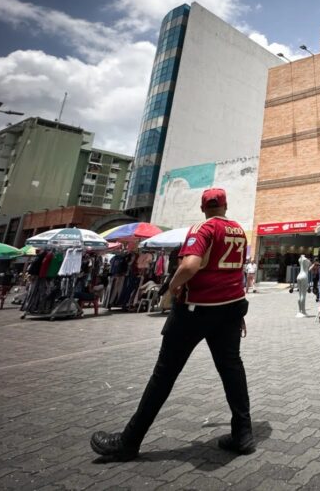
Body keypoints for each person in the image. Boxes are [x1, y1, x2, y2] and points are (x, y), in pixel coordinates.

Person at [90, 188, 255, 460]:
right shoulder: (238, 230)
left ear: (203, 208)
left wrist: (171, 287)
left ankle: (129, 441)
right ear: (225, 206)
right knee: (231, 370)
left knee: (164, 374)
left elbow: (190, 265)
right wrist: (238, 313)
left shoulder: (202, 228)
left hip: (194, 311)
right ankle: (243, 433)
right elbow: (234, 274)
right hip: (229, 310)